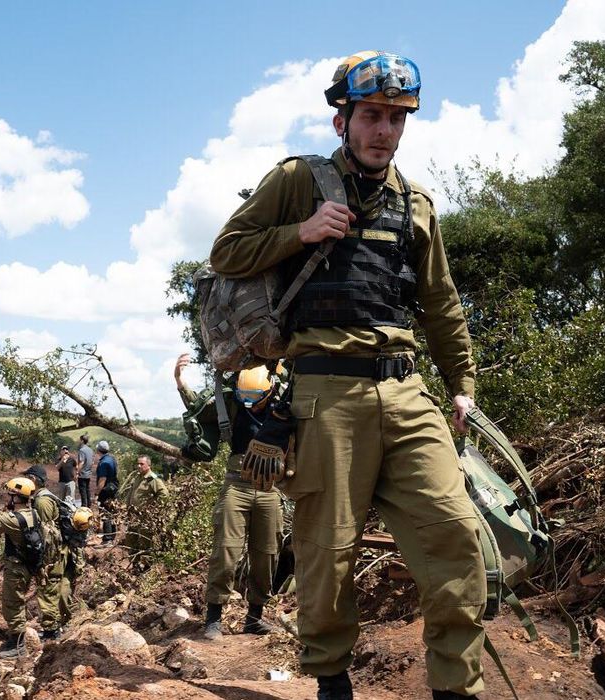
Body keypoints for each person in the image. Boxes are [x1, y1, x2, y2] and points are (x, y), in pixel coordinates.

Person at [211, 51, 486, 700]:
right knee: (327, 553)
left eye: (396, 118)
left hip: (406, 391)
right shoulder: (297, 182)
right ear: (343, 122)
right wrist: (299, 233)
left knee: (454, 531)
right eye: (371, 116)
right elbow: (227, 251)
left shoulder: (416, 204)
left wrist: (464, 385)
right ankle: (332, 680)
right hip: (324, 393)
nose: (383, 130)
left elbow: (441, 303)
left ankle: (456, 688)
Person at [174, 353, 283, 640]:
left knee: (267, 555)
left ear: (270, 388)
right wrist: (179, 381)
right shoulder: (232, 403)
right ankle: (213, 619)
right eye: (244, 396)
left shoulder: (285, 402)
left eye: (255, 397)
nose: (249, 402)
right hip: (237, 486)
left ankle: (255, 618)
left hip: (271, 489)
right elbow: (200, 407)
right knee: (226, 551)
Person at [0, 477, 45, 659]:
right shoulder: (33, 514)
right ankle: (16, 640)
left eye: (9, 495)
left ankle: (19, 644)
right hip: (27, 566)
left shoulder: (14, 520)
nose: (7, 499)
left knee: (12, 605)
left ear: (16, 497)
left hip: (17, 569)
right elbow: (10, 520)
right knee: (16, 603)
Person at [20, 464, 67, 641]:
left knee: (48, 591)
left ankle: (51, 631)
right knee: (48, 590)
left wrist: (41, 560)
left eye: (27, 478)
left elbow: (47, 533)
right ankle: (52, 628)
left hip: (51, 556)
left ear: (33, 480)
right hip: (52, 554)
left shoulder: (42, 501)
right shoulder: (41, 498)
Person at [119, 454, 170, 560]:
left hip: (145, 518)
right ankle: (134, 565)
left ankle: (145, 569)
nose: (138, 466)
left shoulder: (152, 479)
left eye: (141, 464)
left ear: (148, 465)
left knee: (145, 543)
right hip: (133, 516)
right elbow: (132, 493)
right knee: (131, 540)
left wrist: (153, 508)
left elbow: (164, 495)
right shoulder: (138, 477)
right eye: (138, 464)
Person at [94, 441, 120, 542]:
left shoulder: (103, 462)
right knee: (112, 512)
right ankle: (113, 535)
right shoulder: (112, 459)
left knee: (105, 513)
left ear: (98, 450)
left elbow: (102, 480)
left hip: (106, 491)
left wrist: (97, 494)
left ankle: (108, 538)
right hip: (113, 489)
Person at [76, 434, 95, 508]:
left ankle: (84, 507)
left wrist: (77, 472)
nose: (79, 441)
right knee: (87, 490)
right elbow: (92, 462)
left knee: (82, 491)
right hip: (88, 474)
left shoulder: (82, 450)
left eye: (80, 440)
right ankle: (89, 506)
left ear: (82, 441)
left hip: (82, 474)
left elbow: (81, 462)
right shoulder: (90, 450)